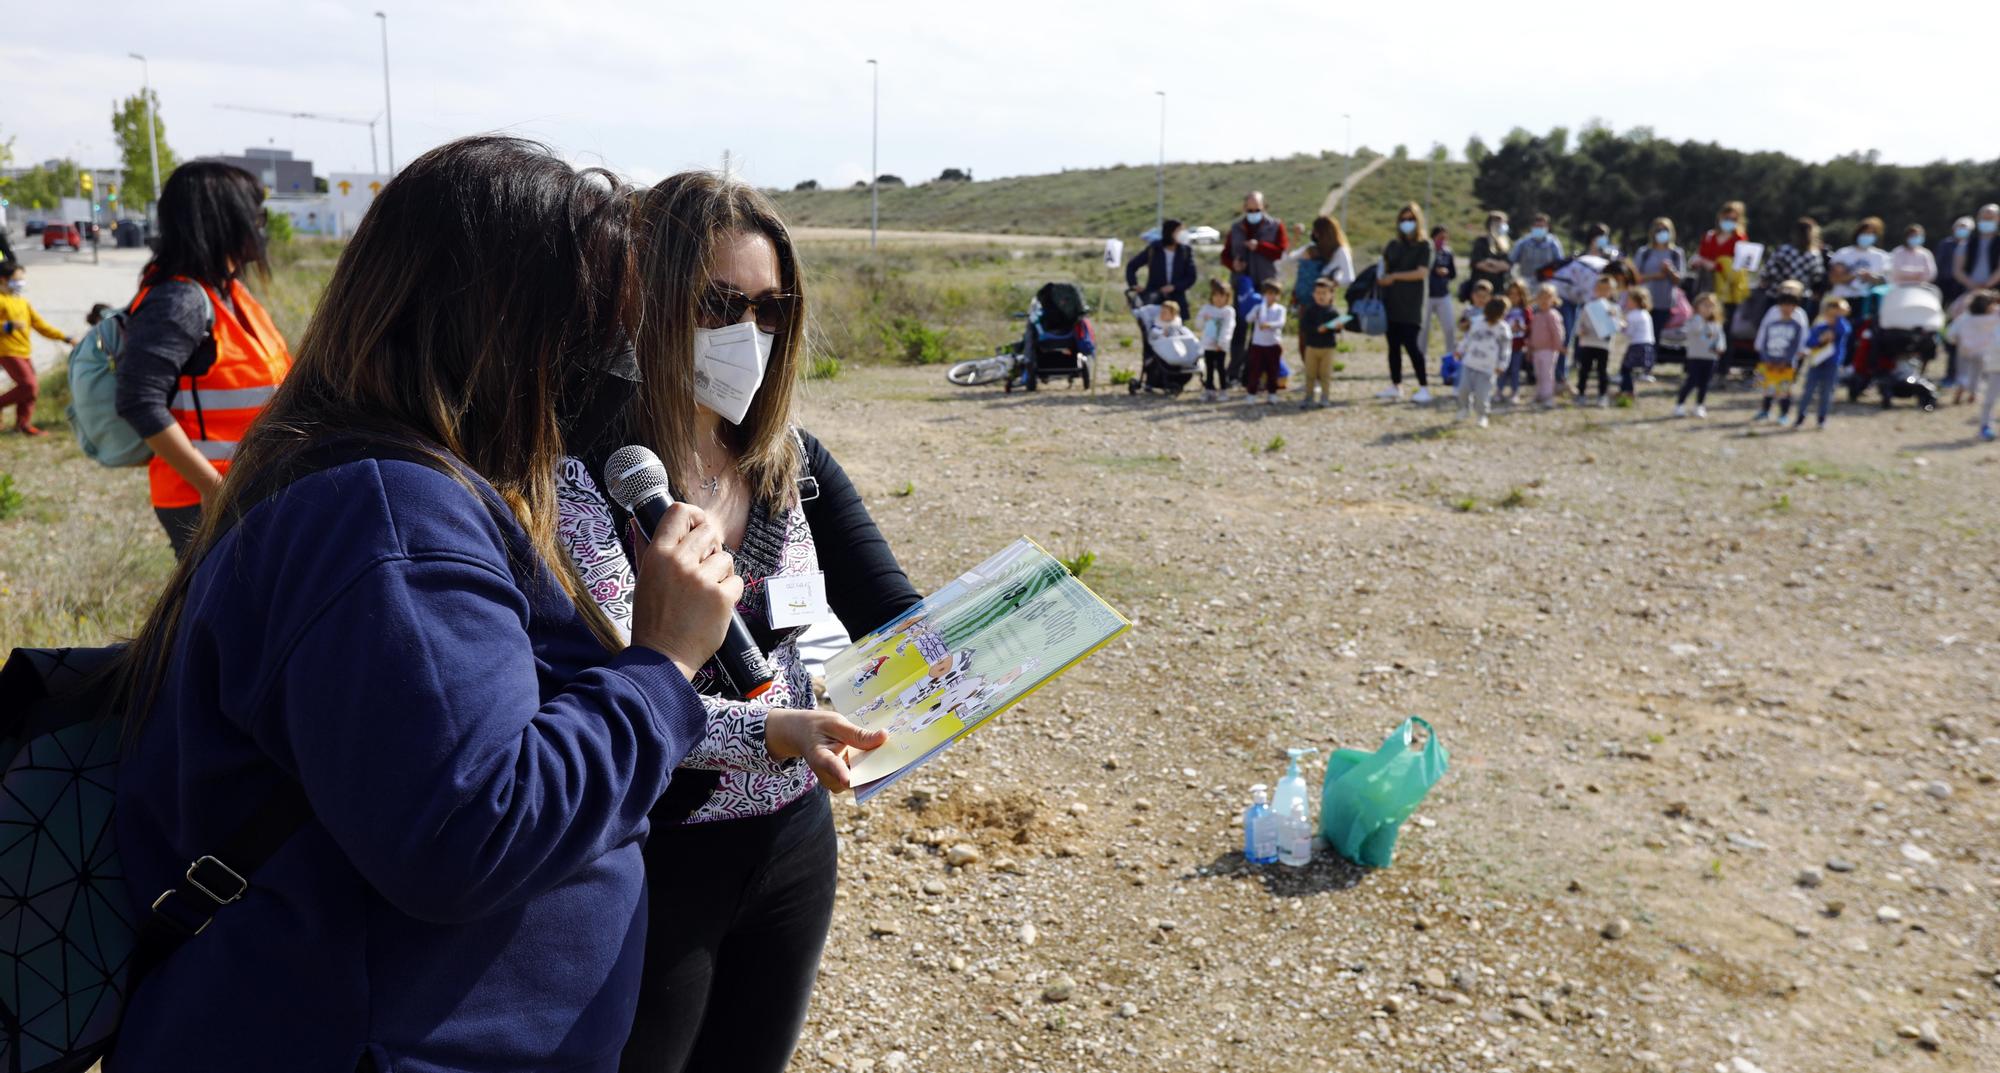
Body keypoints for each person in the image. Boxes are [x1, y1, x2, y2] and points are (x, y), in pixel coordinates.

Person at [110, 135, 762, 1073]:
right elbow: (470, 828)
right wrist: (661, 664)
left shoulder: (414, 485)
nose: (620, 364)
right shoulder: (388, 519)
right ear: (503, 326)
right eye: (598, 329)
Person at [567, 171, 917, 1073]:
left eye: (770, 308)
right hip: (656, 855)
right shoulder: (589, 477)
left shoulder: (786, 462)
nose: (747, 333)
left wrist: (990, 645)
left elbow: (899, 615)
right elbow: (616, 692)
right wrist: (777, 729)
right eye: (719, 303)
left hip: (795, 843)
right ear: (645, 300)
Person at [114, 161, 293, 556]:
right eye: (256, 215)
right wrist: (213, 487)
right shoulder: (180, 301)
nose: (260, 227)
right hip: (206, 499)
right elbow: (138, 400)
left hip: (245, 488)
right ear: (223, 219)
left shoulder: (229, 293)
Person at [0, 261, 77, 436]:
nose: (21, 282)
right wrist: (7, 326)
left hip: (24, 351)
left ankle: (23, 425)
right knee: (29, 385)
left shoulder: (22, 302)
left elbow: (41, 326)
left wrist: (65, 337)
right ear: (3, 280)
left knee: (31, 390)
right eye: (17, 279)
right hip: (6, 351)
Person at [1220, 191, 1288, 374]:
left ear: (1264, 207)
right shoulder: (1236, 228)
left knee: (1261, 331)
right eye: (1249, 209)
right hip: (1243, 286)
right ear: (1244, 208)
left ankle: (1253, 372)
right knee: (1239, 328)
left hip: (1266, 286)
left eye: (1256, 209)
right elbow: (1225, 255)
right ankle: (1234, 371)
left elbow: (1280, 251)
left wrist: (1260, 247)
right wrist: (1233, 264)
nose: (1252, 213)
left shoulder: (1276, 226)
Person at [1377, 202, 1433, 403]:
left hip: (1411, 305)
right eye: (1403, 220)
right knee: (1393, 347)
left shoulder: (1424, 245)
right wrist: (1382, 277)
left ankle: (1424, 386)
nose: (1406, 223)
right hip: (1391, 303)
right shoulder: (1393, 245)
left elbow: (1421, 272)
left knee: (1412, 346)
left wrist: (1395, 277)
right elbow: (1383, 267)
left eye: (1410, 219)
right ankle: (1396, 385)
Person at [1790, 296, 1852, 430]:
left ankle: (1822, 419)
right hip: (1816, 363)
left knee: (1826, 393)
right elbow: (1809, 342)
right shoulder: (1819, 327)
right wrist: (1820, 340)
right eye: (1832, 310)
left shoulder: (1842, 326)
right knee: (1808, 392)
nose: (1834, 313)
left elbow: (1844, 331)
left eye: (1837, 310)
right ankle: (1800, 418)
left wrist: (1839, 316)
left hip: (1832, 364)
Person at [1753, 281, 1810, 423]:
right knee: (1768, 387)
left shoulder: (1799, 316)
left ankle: (1783, 414)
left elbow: (1803, 336)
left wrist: (1801, 351)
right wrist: (1760, 347)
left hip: (1788, 360)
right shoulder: (1772, 312)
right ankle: (1765, 411)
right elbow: (1764, 329)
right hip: (1769, 357)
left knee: (1785, 390)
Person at [1946, 290, 2000, 439]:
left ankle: (1963, 385)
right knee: (1978, 376)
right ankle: (1973, 391)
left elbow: (1951, 335)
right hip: (1987, 355)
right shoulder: (1994, 319)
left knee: (1965, 373)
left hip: (1966, 351)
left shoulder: (1964, 318)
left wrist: (1956, 341)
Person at [1690, 201, 1751, 330]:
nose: (1729, 221)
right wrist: (1697, 262)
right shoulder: (1709, 236)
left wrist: (1715, 266)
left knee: (1724, 327)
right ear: (1720, 217)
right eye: (1726, 218)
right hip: (1708, 286)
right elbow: (1701, 255)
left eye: (1733, 219)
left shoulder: (1740, 239)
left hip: (1727, 290)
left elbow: (1739, 270)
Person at [1125, 217, 1198, 317]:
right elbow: (1132, 266)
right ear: (1170, 232)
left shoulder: (1186, 251)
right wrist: (1133, 284)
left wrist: (1174, 287)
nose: (1183, 233)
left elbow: (1191, 276)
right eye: (1179, 231)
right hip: (1154, 299)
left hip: (1177, 301)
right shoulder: (1154, 249)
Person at [1829, 217, 1892, 332]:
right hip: (1842, 300)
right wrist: (1853, 276)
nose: (1867, 236)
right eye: (1864, 233)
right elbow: (1833, 279)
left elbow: (1887, 281)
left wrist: (1871, 278)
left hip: (1867, 302)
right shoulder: (1843, 253)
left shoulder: (1881, 256)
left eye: (1871, 233)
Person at [1759, 217, 1827, 316]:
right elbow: (1817, 277)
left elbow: (1768, 271)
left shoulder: (1783, 250)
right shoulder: (1814, 255)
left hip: (1777, 295)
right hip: (1801, 298)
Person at [1456, 297, 1507, 428]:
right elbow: (1468, 338)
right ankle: (1464, 409)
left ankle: (1482, 416)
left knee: (1481, 395)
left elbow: (1505, 349)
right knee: (1463, 389)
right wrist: (1460, 350)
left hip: (1487, 369)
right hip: (1469, 363)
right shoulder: (1477, 322)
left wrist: (1501, 365)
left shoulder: (1503, 329)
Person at [1673, 294, 1726, 418]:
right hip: (1695, 357)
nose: (1708, 309)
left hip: (1711, 358)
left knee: (1705, 383)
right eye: (1705, 305)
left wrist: (1721, 347)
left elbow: (1720, 338)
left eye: (1711, 306)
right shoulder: (1693, 321)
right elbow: (1694, 330)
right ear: (1697, 306)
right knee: (1691, 381)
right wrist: (1699, 318)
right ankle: (1680, 404)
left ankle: (1699, 405)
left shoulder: (1716, 324)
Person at [1573, 274, 1622, 407]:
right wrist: (1580, 332)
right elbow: (1579, 324)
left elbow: (1618, 327)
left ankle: (1602, 395)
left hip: (1603, 345)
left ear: (1612, 291)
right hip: (1587, 343)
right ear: (1595, 290)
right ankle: (1581, 393)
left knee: (1602, 371)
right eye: (1600, 289)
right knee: (1584, 370)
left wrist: (1613, 318)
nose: (1603, 292)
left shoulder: (1614, 308)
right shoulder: (1588, 306)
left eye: (1607, 289)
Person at [1634, 218, 1684, 340]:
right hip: (1644, 303)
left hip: (1665, 303)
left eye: (1665, 229)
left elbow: (1679, 280)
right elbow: (1635, 278)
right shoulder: (1644, 252)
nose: (1661, 232)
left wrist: (1670, 270)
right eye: (1658, 229)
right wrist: (1656, 276)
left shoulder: (1676, 253)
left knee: (1655, 336)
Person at [1297, 276, 1341, 409]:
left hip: (1328, 348)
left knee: (1325, 374)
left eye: (1324, 293)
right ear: (1313, 294)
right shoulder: (1310, 310)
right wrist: (1317, 329)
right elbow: (1304, 326)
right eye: (1318, 293)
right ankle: (1308, 397)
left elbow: (1336, 329)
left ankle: (1325, 397)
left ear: (1331, 295)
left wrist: (1337, 327)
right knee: (1310, 373)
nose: (1321, 296)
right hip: (1311, 347)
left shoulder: (1333, 312)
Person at [1241, 278, 1286, 404]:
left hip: (1273, 344)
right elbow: (1247, 319)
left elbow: (1281, 323)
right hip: (1258, 345)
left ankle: (1272, 393)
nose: (1270, 296)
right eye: (1268, 293)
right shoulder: (1258, 307)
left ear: (1278, 295)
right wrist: (1255, 314)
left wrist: (1269, 325)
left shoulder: (1280, 309)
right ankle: (1251, 393)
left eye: (1273, 294)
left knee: (1273, 370)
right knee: (1255, 370)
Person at [1195, 278, 1235, 402]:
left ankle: (1223, 390)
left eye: (1221, 296)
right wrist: (1204, 319)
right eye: (1215, 295)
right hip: (1208, 345)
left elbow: (1228, 327)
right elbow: (1198, 324)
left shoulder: (1228, 311)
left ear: (1227, 297)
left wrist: (1222, 343)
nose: (1218, 298)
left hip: (1220, 346)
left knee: (1221, 368)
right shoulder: (1207, 309)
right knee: (1209, 368)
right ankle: (1209, 390)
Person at [1423, 225, 1458, 357]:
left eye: (1445, 238)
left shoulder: (1448, 253)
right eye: (1440, 237)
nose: (1442, 240)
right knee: (1424, 330)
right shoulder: (1426, 251)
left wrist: (1446, 272)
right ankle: (1421, 358)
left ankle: (1451, 356)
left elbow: (1453, 274)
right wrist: (1434, 271)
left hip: (1443, 295)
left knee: (1449, 328)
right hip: (1427, 296)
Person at [1953, 205, 2000, 303]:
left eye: (1990, 218)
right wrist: (1973, 286)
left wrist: (1986, 286)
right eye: (1984, 218)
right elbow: (1957, 270)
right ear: (1978, 219)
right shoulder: (1966, 243)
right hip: (1969, 291)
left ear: (1998, 219)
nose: (1986, 221)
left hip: (1995, 293)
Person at [1616, 288, 1656, 403]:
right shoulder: (1646, 314)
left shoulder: (1632, 315)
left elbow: (1629, 333)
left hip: (1637, 345)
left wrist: (1621, 326)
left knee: (1625, 369)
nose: (1627, 302)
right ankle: (1624, 389)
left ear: (1636, 301)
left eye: (1629, 300)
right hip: (1648, 344)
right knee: (1627, 369)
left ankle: (1628, 391)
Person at [1528, 283, 1565, 408]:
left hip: (1549, 350)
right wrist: (1530, 346)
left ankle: (1548, 396)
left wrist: (1559, 345)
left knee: (1547, 373)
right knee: (1538, 373)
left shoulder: (1553, 315)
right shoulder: (1536, 315)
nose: (1544, 301)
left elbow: (1557, 331)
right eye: (1541, 297)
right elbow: (1533, 332)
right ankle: (1540, 394)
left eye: (1547, 297)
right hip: (1537, 350)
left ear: (1553, 299)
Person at [1508, 212, 1565, 289]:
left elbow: (1560, 265)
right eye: (1537, 226)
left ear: (1547, 227)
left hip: (1546, 284)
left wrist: (1545, 274)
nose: (1539, 229)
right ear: (1532, 227)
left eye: (1541, 227)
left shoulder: (1553, 244)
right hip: (1525, 283)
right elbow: (1511, 261)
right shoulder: (1523, 242)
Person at [1498, 278, 1530, 404]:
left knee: (1515, 370)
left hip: (1518, 346)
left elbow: (1529, 326)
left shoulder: (1525, 310)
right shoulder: (1504, 308)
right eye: (1511, 294)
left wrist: (1523, 329)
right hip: (1503, 345)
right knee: (1502, 369)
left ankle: (1514, 391)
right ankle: (1499, 390)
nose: (1514, 297)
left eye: (1517, 294)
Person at [1467, 211, 1512, 295]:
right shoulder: (1481, 241)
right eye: (1499, 223)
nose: (1502, 226)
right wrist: (1495, 268)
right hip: (1481, 289)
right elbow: (1477, 263)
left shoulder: (1505, 244)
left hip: (1499, 288)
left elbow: (1507, 265)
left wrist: (1490, 262)